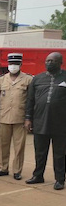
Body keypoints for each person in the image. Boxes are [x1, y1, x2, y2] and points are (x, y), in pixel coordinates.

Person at [25, 52, 66, 190]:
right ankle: (38, 176)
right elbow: (30, 101)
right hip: (40, 121)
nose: (49, 63)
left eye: (52, 61)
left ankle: (60, 179)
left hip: (61, 123)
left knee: (60, 153)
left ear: (60, 62)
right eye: (47, 61)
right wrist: (28, 118)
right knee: (40, 151)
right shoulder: (37, 79)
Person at [0, 53, 32, 181]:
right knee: (3, 144)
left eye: (15, 64)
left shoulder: (28, 80)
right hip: (3, 117)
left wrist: (28, 119)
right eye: (11, 64)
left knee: (19, 146)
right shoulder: (0, 80)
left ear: (20, 65)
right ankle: (3, 168)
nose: (13, 66)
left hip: (20, 118)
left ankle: (17, 171)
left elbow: (31, 101)